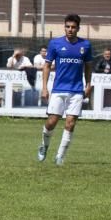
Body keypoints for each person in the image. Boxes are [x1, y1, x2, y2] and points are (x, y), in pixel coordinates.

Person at [38, 14, 93, 166]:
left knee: (70, 123)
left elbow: (88, 66)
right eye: (67, 26)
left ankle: (60, 156)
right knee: (52, 122)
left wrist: (88, 84)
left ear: (78, 28)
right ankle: (44, 144)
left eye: (73, 27)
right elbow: (47, 66)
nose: (70, 29)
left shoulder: (85, 45)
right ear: (64, 27)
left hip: (76, 90)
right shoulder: (55, 44)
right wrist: (44, 88)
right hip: (58, 89)